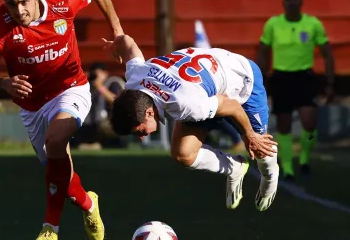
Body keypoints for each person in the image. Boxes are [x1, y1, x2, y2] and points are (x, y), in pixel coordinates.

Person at [0, 0, 123, 240]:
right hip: (32, 106)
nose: (19, 10)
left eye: (24, 1)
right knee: (61, 176)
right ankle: (90, 204)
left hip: (71, 89)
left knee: (55, 143)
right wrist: (4, 83)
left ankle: (49, 229)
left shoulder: (63, 2)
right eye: (12, 4)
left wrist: (117, 30)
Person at [104, 35, 279, 211]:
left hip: (241, 79)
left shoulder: (185, 104)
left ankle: (270, 175)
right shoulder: (135, 77)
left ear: (149, 112)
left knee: (259, 146)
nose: (142, 138)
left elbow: (231, 106)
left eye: (139, 132)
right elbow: (128, 43)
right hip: (203, 88)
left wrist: (249, 135)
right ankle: (234, 166)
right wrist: (117, 42)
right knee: (183, 154)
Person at [257, 0, 335, 181]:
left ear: (301, 2)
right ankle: (288, 168)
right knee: (283, 126)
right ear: (283, 2)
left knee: (309, 124)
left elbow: (327, 54)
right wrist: (262, 78)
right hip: (282, 78)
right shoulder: (273, 24)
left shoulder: (312, 24)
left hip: (304, 77)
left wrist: (330, 82)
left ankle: (305, 158)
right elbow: (263, 51)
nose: (292, 2)